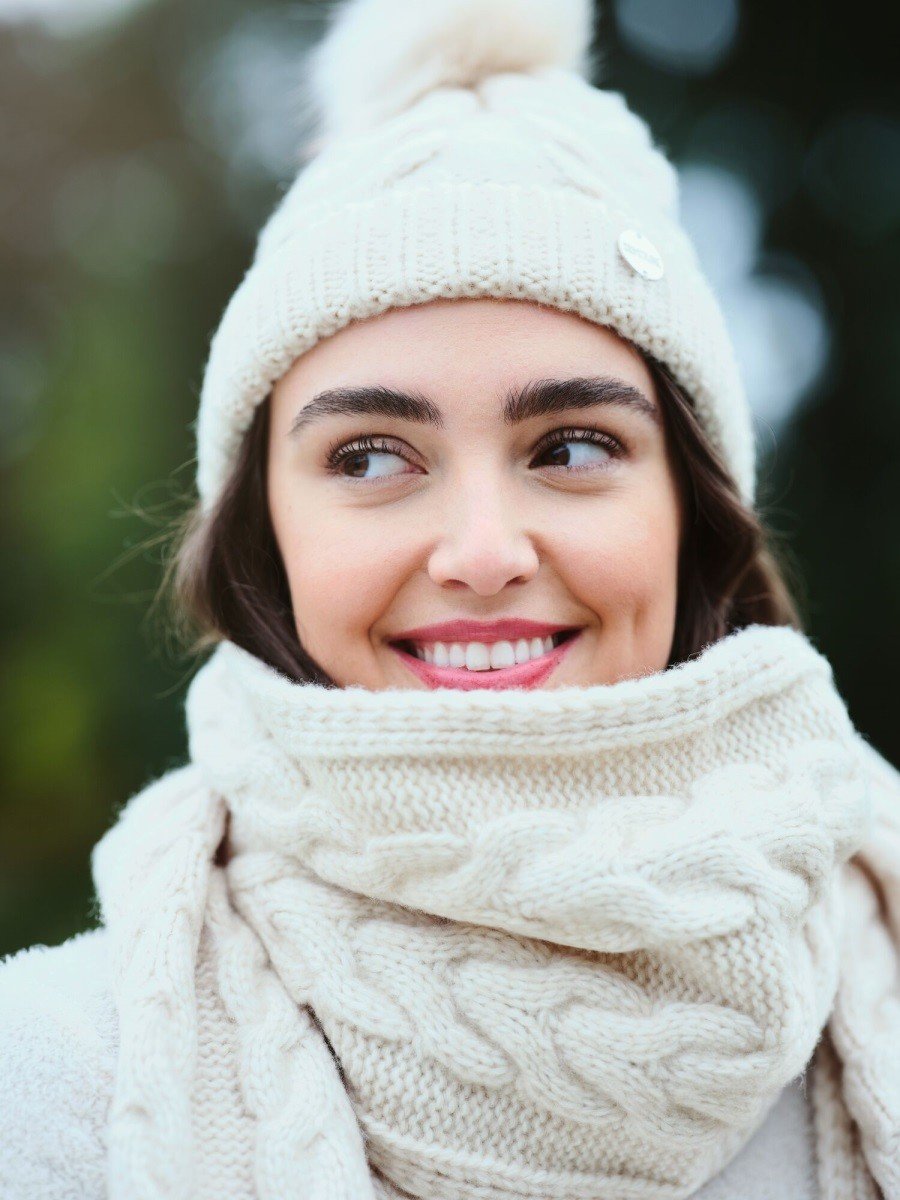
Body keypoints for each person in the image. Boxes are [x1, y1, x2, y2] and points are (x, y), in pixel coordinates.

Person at [2, 0, 898, 1197]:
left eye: (571, 446)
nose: (481, 552)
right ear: (264, 536)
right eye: (371, 457)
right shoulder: (55, 1089)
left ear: (692, 513)